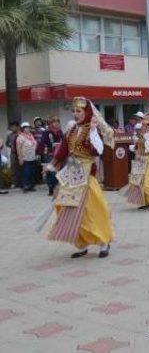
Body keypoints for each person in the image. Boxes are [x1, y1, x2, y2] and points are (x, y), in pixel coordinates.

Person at [45, 97, 114, 258]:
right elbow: (62, 150)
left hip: (87, 174)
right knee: (67, 207)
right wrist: (52, 165)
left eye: (79, 111)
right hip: (72, 173)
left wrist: (93, 132)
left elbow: (98, 150)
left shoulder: (92, 128)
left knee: (92, 209)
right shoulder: (71, 130)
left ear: (86, 112)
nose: (75, 114)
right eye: (74, 111)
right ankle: (81, 243)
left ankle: (104, 241)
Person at [41, 116, 64, 196]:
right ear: (51, 123)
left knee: (58, 170)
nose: (56, 123)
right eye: (54, 122)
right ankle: (51, 188)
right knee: (51, 171)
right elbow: (43, 142)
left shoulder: (60, 131)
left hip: (58, 153)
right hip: (50, 153)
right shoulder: (46, 132)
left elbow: (64, 140)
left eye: (57, 122)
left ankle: (57, 187)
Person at [16, 123, 38, 193]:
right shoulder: (20, 137)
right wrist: (20, 158)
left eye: (28, 127)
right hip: (25, 157)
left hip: (32, 157)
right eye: (25, 128)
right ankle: (25, 186)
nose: (27, 129)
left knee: (32, 172)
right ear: (22, 129)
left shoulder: (31, 135)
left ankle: (31, 186)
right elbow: (18, 148)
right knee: (26, 172)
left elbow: (34, 144)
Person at [6, 121, 20, 188]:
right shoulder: (10, 135)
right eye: (11, 127)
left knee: (20, 167)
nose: (12, 128)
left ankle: (21, 182)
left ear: (17, 127)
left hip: (20, 153)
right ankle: (14, 183)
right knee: (13, 168)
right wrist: (10, 145)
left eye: (14, 127)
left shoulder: (21, 134)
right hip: (13, 154)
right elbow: (7, 143)